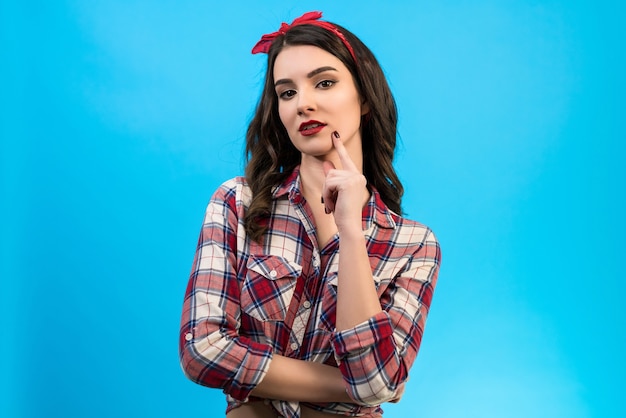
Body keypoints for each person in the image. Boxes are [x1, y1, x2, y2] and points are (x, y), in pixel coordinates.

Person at [179, 11, 441, 418]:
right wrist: (355, 387)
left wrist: (351, 233)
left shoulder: (413, 244)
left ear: (365, 98)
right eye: (287, 93)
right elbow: (202, 350)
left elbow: (375, 379)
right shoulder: (238, 203)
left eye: (324, 83)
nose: (304, 103)